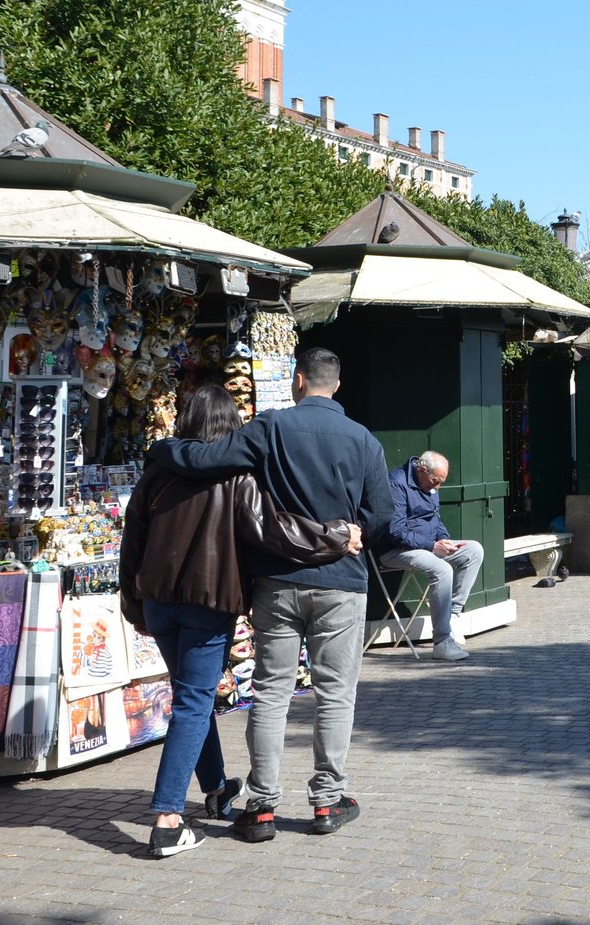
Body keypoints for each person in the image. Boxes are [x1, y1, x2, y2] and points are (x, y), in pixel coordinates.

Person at [144, 347, 392, 842]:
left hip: (277, 582)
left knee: (273, 691)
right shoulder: (364, 440)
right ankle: (327, 801)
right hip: (342, 580)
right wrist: (352, 530)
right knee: (335, 693)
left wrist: (161, 448)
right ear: (335, 386)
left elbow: (205, 458)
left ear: (298, 380)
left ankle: (261, 805)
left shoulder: (271, 427)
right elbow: (381, 514)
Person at [377, 450, 483, 662]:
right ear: (422, 470)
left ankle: (452, 616)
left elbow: (435, 519)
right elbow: (395, 531)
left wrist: (444, 540)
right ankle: (442, 641)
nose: (437, 487)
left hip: (428, 546)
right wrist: (432, 546)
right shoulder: (396, 484)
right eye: (435, 481)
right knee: (441, 569)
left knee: (474, 550)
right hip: (396, 550)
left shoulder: (430, 484)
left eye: (441, 482)